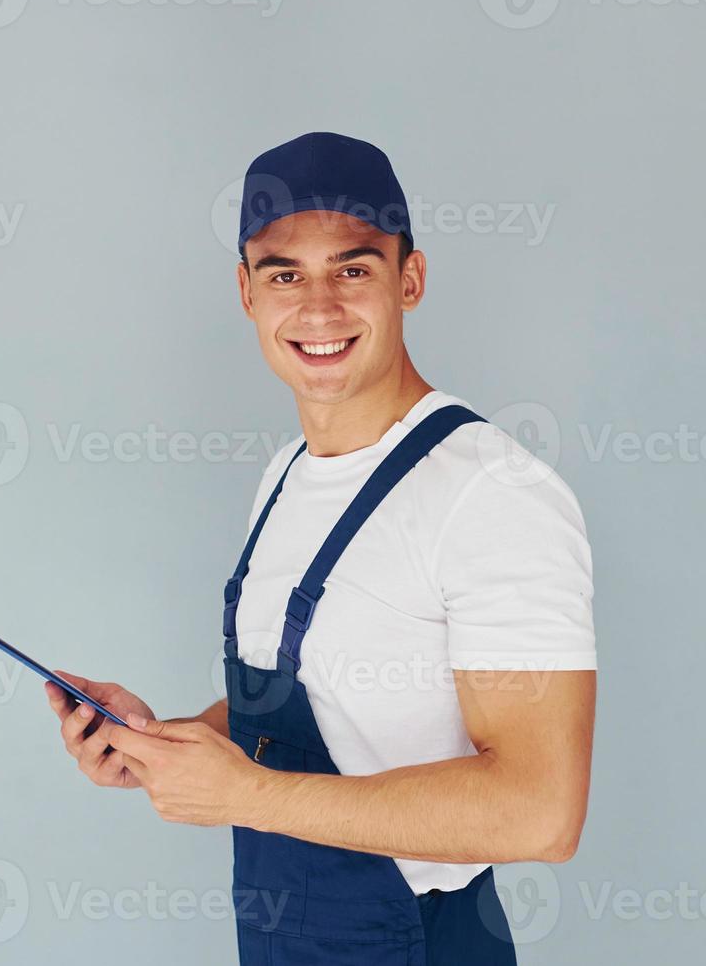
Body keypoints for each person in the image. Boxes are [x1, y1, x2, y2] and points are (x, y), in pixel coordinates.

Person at [46, 131, 597, 965]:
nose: (318, 308)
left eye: (353, 268)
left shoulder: (491, 493)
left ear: (409, 279)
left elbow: (541, 812)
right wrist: (164, 745)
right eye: (283, 274)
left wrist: (253, 796)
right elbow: (334, 700)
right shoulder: (287, 474)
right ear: (245, 292)